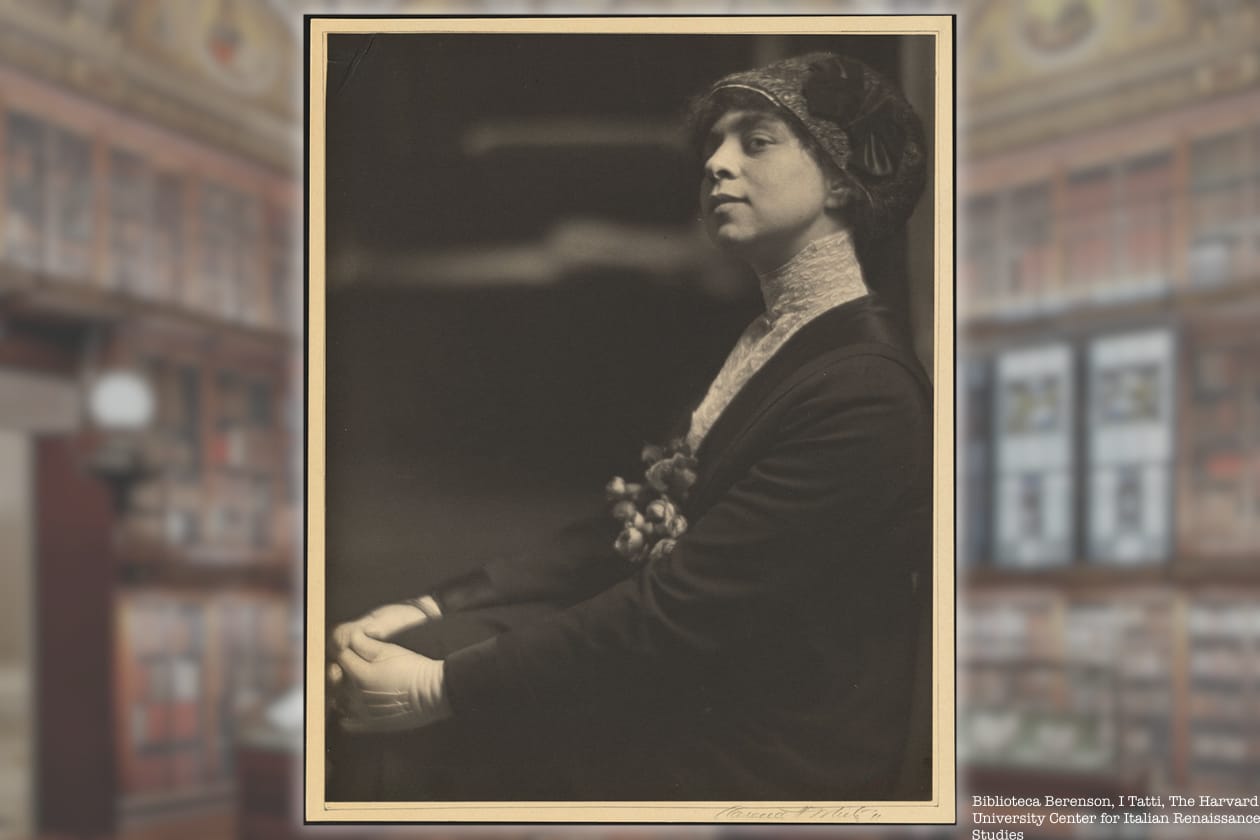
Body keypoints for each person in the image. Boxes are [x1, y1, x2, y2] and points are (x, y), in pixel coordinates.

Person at [328, 51, 933, 802]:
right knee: (377, 658)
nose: (716, 163)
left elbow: (682, 606)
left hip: (765, 744)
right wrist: (439, 604)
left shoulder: (865, 389)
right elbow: (633, 525)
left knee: (399, 724)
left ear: (842, 180)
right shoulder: (775, 338)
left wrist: (442, 686)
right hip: (691, 674)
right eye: (714, 143)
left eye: (755, 141)